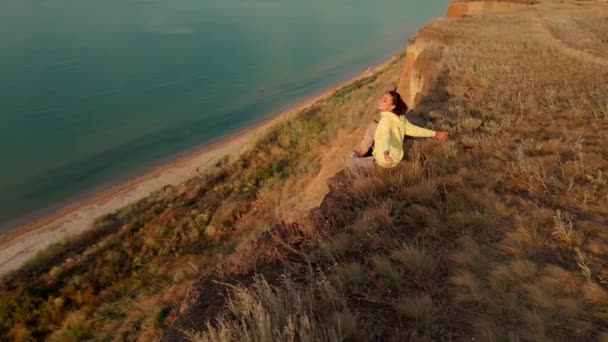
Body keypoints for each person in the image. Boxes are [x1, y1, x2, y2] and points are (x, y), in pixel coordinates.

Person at [349, 90, 448, 170]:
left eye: (385, 100)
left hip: (385, 160)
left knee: (351, 162)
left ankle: (368, 159)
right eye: (382, 98)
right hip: (396, 156)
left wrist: (386, 153)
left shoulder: (385, 121)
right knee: (372, 126)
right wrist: (435, 134)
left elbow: (385, 137)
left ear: (392, 106)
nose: (380, 101)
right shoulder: (400, 118)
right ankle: (362, 152)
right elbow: (414, 130)